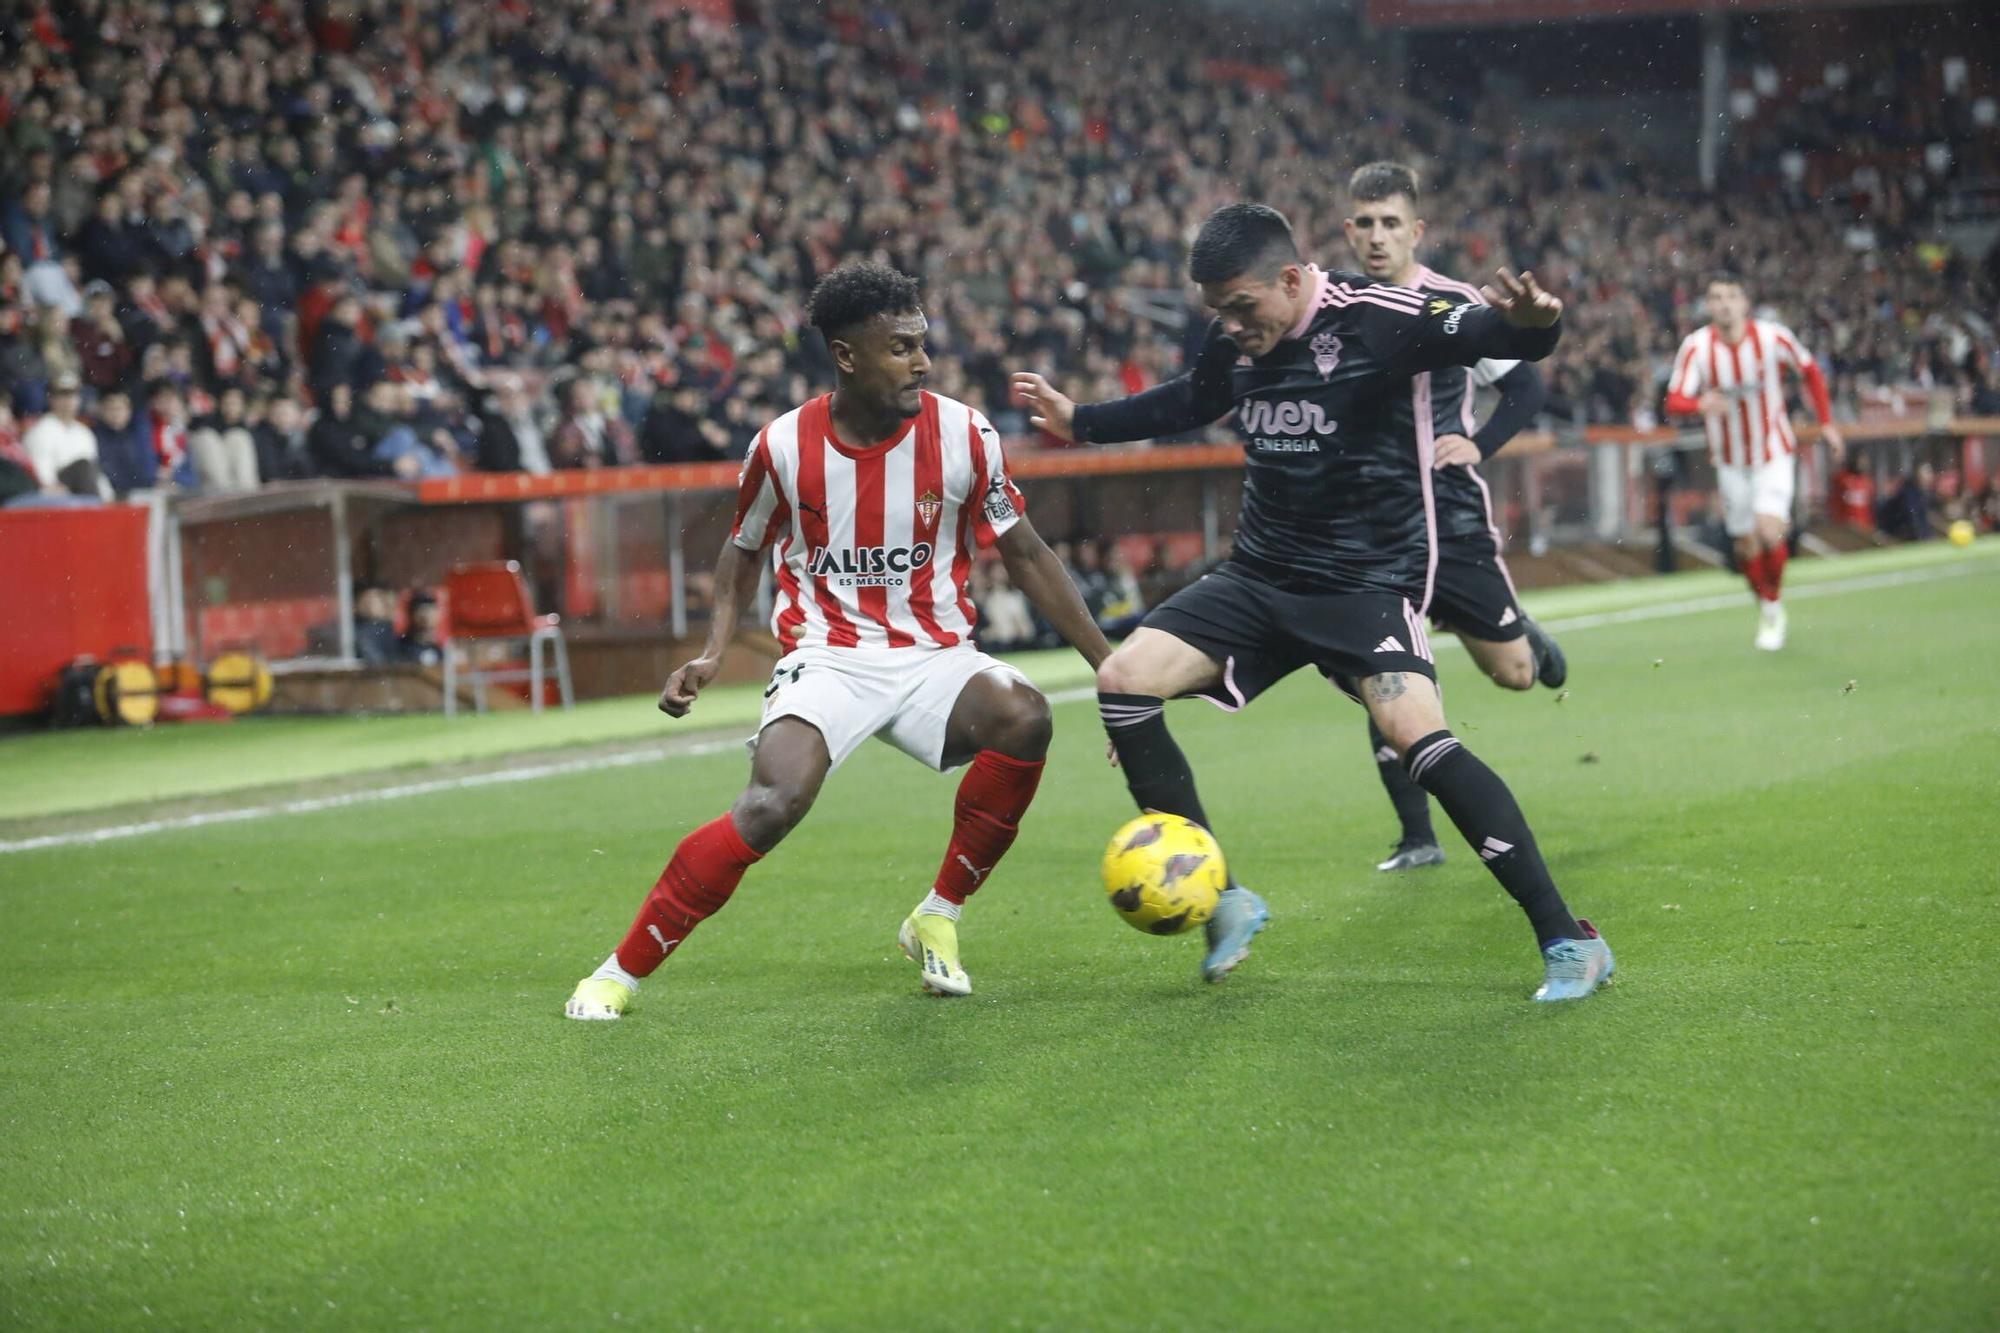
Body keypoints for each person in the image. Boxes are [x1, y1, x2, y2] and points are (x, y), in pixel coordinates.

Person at [1012, 203, 1613, 1002]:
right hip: (1260, 577)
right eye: (1216, 311)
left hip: (1365, 584)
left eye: (1242, 307)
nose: (1228, 326)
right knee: (1124, 679)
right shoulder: (1235, 334)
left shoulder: (1381, 319)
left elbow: (1492, 336)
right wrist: (1080, 420)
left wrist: (1539, 325)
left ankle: (1568, 941)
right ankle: (1224, 898)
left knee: (1418, 739)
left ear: (1292, 279)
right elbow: (1192, 399)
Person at [564, 261, 1113, 1021]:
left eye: (923, 343)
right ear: (847, 355)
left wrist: (1108, 666)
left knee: (1025, 713)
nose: (921, 361)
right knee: (774, 799)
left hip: (934, 656)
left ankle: (938, 914)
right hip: (827, 654)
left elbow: (1026, 553)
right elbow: (743, 548)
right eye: (899, 347)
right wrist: (714, 649)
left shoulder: (965, 433)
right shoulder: (784, 445)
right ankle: (618, 971)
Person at [1339, 161, 1565, 872]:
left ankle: (1522, 635)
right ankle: (1417, 837)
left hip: (1452, 514)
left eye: (1391, 224)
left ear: (1416, 230)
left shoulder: (1453, 303)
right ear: (1350, 229)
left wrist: (1478, 444)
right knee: (1382, 679)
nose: (1377, 237)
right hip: (1373, 524)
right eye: (1366, 224)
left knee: (1516, 675)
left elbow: (1525, 383)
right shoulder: (1332, 305)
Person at [1664, 274, 1843, 651]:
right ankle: (1766, 601)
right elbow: (1674, 400)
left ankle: (1773, 608)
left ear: (1745, 302)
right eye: (1716, 297)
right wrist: (1699, 404)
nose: (1725, 304)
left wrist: (1826, 423)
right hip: (1730, 462)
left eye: (1731, 296)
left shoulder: (1771, 337)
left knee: (1767, 531)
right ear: (1709, 306)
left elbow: (1810, 371)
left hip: (1773, 453)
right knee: (1745, 547)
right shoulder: (1697, 347)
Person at [22, 373, 104, 498]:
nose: (67, 401)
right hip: (57, 496)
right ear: (50, 399)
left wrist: (108, 497)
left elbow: (96, 473)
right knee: (82, 467)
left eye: (72, 395)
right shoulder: (40, 431)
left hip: (85, 492)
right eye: (61, 396)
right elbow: (42, 475)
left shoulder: (85, 433)